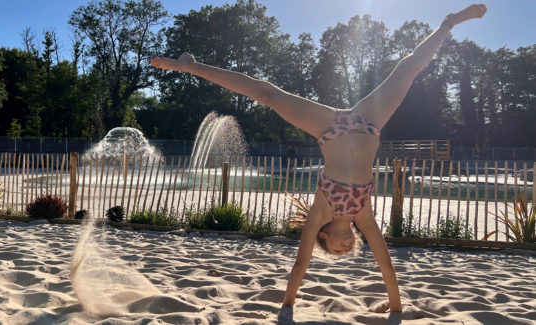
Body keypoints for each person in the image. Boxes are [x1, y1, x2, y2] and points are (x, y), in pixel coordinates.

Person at [152, 4, 487, 313]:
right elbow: (386, 264)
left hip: (330, 127)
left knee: (267, 93)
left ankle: (190, 66)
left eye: (336, 251)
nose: (346, 250)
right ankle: (448, 24)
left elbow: (300, 264)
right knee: (409, 68)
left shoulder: (321, 211)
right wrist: (396, 308)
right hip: (370, 123)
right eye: (350, 251)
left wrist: (288, 304)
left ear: (323, 237)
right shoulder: (364, 217)